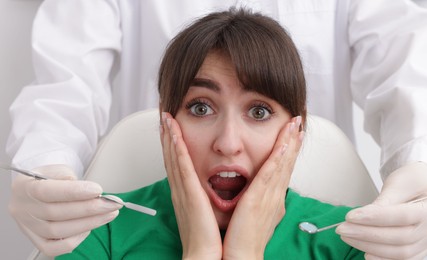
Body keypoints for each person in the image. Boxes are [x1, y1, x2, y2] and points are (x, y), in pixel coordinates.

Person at [6, 0, 427, 258]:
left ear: (296, 131)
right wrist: (46, 164)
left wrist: (419, 168)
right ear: (165, 120)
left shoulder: (348, 246)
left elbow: (405, 66)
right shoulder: (102, 238)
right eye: (200, 106)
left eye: (260, 111)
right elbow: (66, 81)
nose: (228, 143)